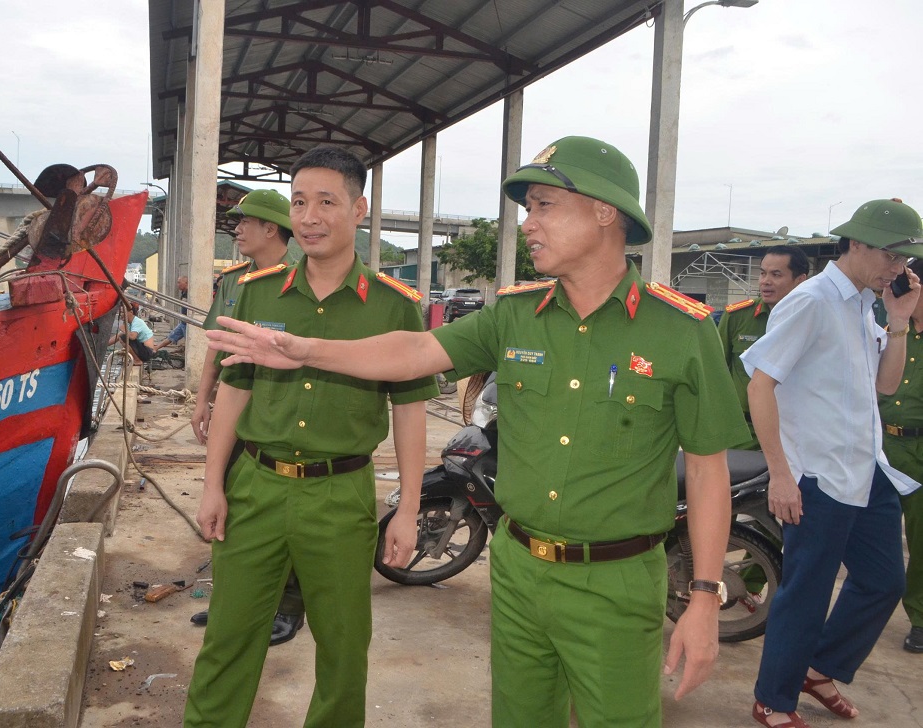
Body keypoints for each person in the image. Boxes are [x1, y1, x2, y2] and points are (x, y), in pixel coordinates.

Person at [208, 135, 751, 728]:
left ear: (604, 212)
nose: (528, 223)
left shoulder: (680, 331)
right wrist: (306, 349)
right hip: (518, 570)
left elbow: (705, 470)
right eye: (528, 208)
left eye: (544, 205)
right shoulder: (514, 314)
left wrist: (703, 596)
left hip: (618, 580)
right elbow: (414, 351)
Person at [182, 145, 438, 728]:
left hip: (340, 495)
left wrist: (408, 510)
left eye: (327, 201)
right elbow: (235, 392)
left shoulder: (396, 309)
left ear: (360, 208)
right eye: (299, 202)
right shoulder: (259, 291)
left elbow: (412, 411)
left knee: (343, 647)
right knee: (229, 636)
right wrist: (212, 485)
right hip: (257, 487)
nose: (310, 216)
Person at [742, 198, 923, 727]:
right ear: (859, 245)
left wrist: (899, 322)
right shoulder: (813, 301)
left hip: (866, 471)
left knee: (883, 581)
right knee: (808, 591)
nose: (899, 270)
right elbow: (761, 386)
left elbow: (884, 386)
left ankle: (818, 668)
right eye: (892, 257)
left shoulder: (862, 307)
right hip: (816, 477)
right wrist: (781, 473)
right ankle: (773, 699)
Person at [184, 188, 305, 646]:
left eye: (244, 222)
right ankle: (231, 604)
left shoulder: (301, 280)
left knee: (286, 512)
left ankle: (289, 607)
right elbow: (217, 345)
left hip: (279, 418)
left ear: (271, 229)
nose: (236, 230)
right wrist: (202, 401)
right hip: (235, 414)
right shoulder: (234, 281)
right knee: (227, 504)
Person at [717, 245, 810, 450]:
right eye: (762, 273)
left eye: (776, 275)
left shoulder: (812, 320)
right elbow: (716, 374)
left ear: (800, 280)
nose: (765, 281)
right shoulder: (738, 317)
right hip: (745, 434)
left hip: (796, 433)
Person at [878, 255, 923, 655]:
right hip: (882, 445)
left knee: (922, 539)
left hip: (920, 448)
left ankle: (920, 618)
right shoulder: (889, 330)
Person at [155, 275, 188, 351]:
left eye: (179, 282)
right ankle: (156, 348)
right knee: (172, 336)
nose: (178, 285)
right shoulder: (183, 292)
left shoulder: (190, 293)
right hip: (183, 322)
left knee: (189, 342)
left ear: (186, 283)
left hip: (188, 323)